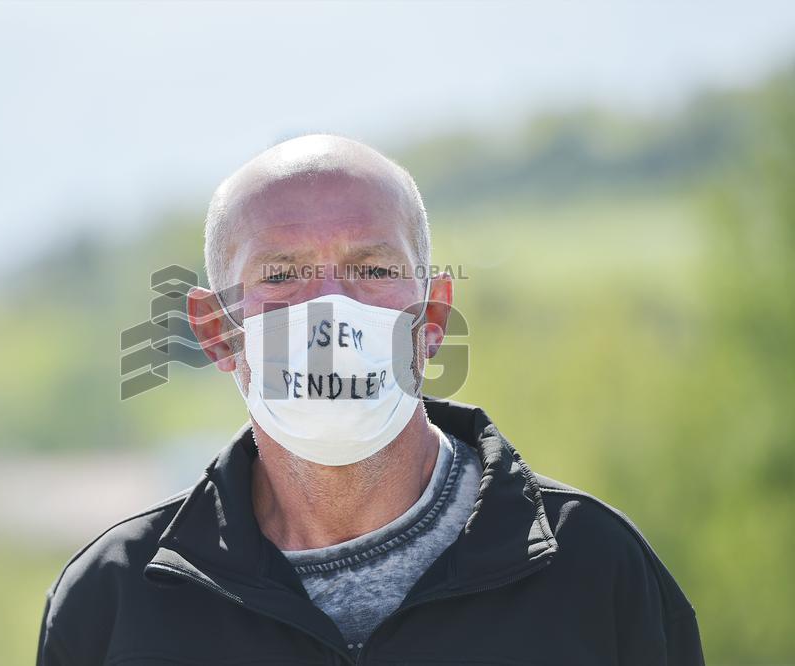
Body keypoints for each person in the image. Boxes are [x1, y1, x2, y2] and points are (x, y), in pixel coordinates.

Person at [36, 134, 705, 665]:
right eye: (282, 275)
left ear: (433, 318)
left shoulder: (592, 567)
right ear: (218, 331)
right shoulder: (116, 601)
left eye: (374, 270)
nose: (331, 310)